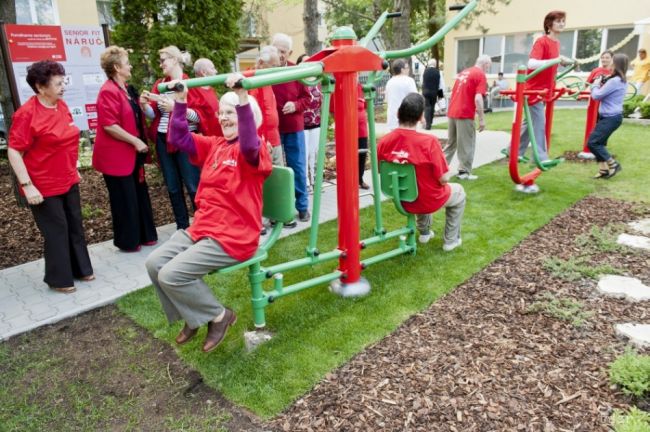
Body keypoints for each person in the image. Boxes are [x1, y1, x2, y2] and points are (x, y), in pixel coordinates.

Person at [145, 74, 272, 353]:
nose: (224, 118)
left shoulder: (254, 150)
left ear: (246, 118)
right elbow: (179, 137)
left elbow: (250, 144)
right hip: (204, 227)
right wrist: (180, 103)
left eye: (232, 113)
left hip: (233, 234)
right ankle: (194, 316)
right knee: (154, 264)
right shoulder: (215, 145)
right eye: (222, 112)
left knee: (171, 275)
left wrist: (241, 97)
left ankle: (219, 316)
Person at [8, 60, 94, 293]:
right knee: (57, 230)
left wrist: (73, 166)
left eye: (63, 82)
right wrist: (27, 185)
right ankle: (59, 279)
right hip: (43, 184)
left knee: (75, 225)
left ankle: (81, 269)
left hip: (68, 178)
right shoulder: (26, 114)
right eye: (58, 83)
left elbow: (66, 139)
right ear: (40, 86)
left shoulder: (61, 105)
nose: (63, 86)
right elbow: (14, 150)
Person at [378, 93, 466, 252]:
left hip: (401, 198)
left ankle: (425, 233)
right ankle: (450, 241)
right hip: (427, 199)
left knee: (420, 183)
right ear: (421, 117)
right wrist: (449, 171)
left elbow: (381, 171)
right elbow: (443, 179)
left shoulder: (384, 141)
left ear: (398, 114)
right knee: (459, 192)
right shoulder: (429, 142)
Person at [93, 45, 158, 253]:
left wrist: (142, 104)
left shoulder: (126, 89)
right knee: (124, 200)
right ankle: (128, 241)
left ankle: (145, 235)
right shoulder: (107, 91)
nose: (130, 65)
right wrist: (135, 141)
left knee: (139, 195)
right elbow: (109, 125)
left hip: (132, 156)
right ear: (116, 67)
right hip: (116, 158)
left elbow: (132, 114)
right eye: (126, 62)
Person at [140, 45, 200, 230]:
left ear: (174, 60)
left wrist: (177, 108)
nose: (160, 64)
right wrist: (144, 106)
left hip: (186, 140)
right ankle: (182, 227)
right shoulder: (160, 84)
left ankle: (202, 225)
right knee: (173, 187)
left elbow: (199, 118)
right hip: (164, 140)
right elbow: (153, 115)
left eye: (163, 60)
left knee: (193, 186)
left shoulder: (190, 83)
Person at [517, 10, 574, 193]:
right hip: (532, 89)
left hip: (541, 91)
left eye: (563, 21)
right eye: (558, 21)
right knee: (539, 122)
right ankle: (541, 157)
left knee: (528, 125)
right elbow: (532, 63)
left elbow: (550, 67)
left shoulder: (556, 43)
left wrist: (561, 62)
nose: (562, 24)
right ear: (549, 24)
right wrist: (556, 59)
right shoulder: (542, 41)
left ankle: (514, 151)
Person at [271, 33, 311, 222]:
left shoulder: (296, 71)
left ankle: (302, 206)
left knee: (298, 166)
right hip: (272, 130)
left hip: (293, 127)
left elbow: (307, 98)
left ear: (290, 53)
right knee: (274, 170)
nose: (279, 55)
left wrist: (295, 105)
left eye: (283, 52)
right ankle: (278, 209)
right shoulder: (264, 71)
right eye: (276, 50)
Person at [443, 54, 491, 181]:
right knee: (466, 144)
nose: (488, 69)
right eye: (489, 67)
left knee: (451, 143)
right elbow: (478, 98)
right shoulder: (480, 75)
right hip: (464, 113)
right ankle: (464, 172)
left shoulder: (464, 72)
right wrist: (481, 118)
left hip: (453, 111)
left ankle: (438, 169)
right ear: (485, 64)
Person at [587, 53, 628, 179]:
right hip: (610, 117)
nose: (609, 63)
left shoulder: (615, 81)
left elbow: (596, 96)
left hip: (611, 117)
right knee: (600, 143)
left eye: (612, 61)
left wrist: (595, 84)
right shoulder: (619, 79)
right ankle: (603, 170)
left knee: (593, 143)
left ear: (616, 64)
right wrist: (603, 81)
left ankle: (613, 164)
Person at [250, 46, 283, 166]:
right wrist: (263, 139)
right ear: (261, 63)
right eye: (274, 66)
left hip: (275, 139)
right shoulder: (253, 83)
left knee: (280, 177)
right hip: (265, 141)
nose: (277, 70)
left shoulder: (267, 81)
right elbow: (252, 116)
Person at [296, 53, 322, 191]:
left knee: (314, 153)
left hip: (316, 122)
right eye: (305, 62)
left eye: (310, 61)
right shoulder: (299, 81)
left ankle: (315, 180)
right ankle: (305, 183)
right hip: (303, 124)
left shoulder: (317, 81)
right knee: (304, 154)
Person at [191, 58, 223, 137]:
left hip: (219, 135)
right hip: (207, 139)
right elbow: (196, 115)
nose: (216, 71)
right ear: (203, 72)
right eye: (212, 68)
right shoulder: (194, 91)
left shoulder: (211, 89)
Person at [385, 59, 417, 130]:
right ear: (402, 70)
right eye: (407, 68)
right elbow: (415, 99)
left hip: (392, 118)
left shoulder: (389, 82)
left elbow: (387, 100)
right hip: (406, 119)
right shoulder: (409, 81)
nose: (408, 70)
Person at [421, 58, 441, 130]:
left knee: (427, 107)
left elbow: (421, 81)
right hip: (434, 92)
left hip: (426, 92)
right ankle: (430, 122)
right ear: (435, 65)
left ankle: (427, 124)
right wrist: (440, 95)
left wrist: (423, 89)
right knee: (432, 107)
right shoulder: (438, 72)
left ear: (429, 64)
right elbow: (441, 84)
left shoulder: (425, 72)